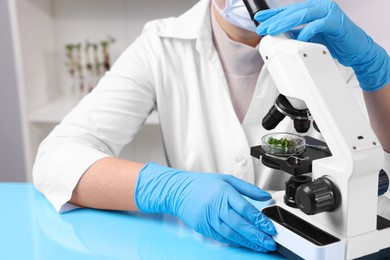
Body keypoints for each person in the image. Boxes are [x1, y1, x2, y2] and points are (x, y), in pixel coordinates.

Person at [33, 0, 390, 254]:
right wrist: (167, 189)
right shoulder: (160, 46)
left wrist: (377, 73)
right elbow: (56, 159)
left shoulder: (328, 43)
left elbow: (380, 164)